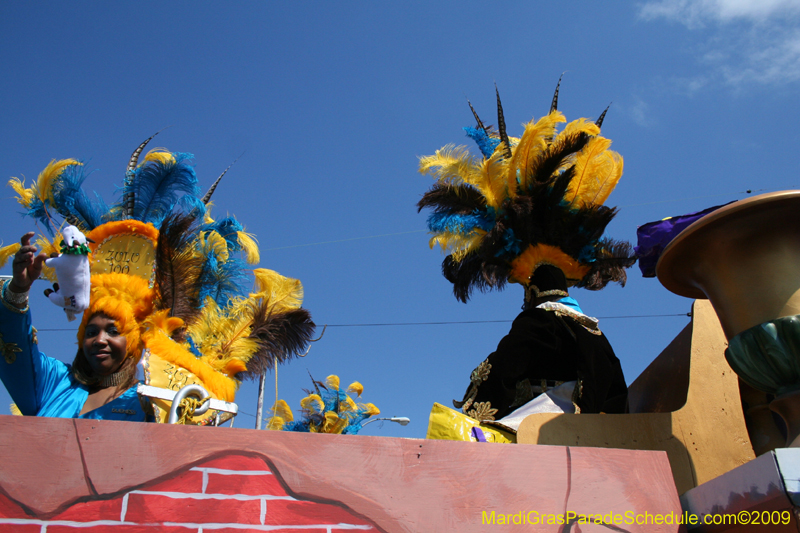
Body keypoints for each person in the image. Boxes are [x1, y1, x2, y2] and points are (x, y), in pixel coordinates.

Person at [1, 232, 153, 421]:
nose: (99, 340)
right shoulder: (56, 382)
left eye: (113, 331)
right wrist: (18, 289)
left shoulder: (149, 401)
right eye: (91, 332)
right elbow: (16, 350)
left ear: (132, 342)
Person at [454, 265, 628, 424]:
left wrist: (478, 403)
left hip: (542, 422)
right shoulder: (593, 332)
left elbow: (504, 366)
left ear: (533, 293)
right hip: (596, 426)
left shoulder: (538, 321)